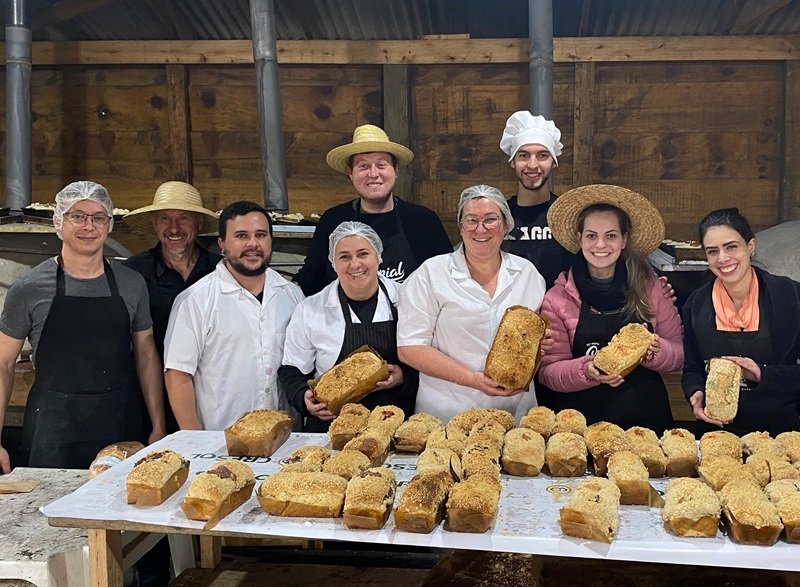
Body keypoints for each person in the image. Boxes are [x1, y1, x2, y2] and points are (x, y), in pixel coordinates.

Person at [0, 181, 165, 473]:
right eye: (78, 216)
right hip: (52, 431)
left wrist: (158, 425)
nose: (89, 225)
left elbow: (146, 354)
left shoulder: (131, 284)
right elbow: (3, 363)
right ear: (58, 222)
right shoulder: (29, 288)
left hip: (119, 426)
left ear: (109, 225)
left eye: (99, 217)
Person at [397, 185, 550, 424]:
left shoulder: (527, 274)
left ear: (505, 225)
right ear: (460, 226)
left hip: (515, 415)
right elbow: (410, 348)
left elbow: (535, 339)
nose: (480, 228)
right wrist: (471, 379)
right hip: (448, 415)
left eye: (491, 219)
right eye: (471, 220)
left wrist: (542, 344)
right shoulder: (431, 273)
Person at [537, 184, 683, 433]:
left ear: (624, 239)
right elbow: (548, 372)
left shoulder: (650, 287)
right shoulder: (557, 298)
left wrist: (657, 353)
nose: (600, 245)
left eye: (611, 235)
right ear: (579, 239)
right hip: (581, 427)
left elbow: (679, 353)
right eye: (591, 235)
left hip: (646, 421)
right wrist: (587, 371)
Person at [163, 200, 304, 431]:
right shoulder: (196, 300)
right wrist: (195, 441)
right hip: (220, 441)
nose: (253, 244)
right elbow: (178, 375)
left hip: (285, 442)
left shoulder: (293, 296)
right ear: (222, 244)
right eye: (241, 236)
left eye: (260, 235)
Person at [280, 221, 417, 430]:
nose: (355, 264)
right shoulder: (310, 309)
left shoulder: (408, 299)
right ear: (333, 264)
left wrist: (404, 377)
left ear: (378, 257)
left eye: (363, 254)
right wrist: (303, 397)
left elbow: (426, 359)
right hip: (331, 428)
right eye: (344, 257)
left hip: (394, 426)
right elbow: (292, 371)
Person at [294, 124, 452, 296]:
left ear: (396, 170)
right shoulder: (333, 220)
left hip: (409, 320)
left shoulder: (423, 221)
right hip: (346, 320)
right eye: (363, 166)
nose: (373, 173)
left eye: (381, 165)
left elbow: (447, 279)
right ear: (350, 173)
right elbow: (311, 279)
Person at [682, 208, 800, 436]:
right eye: (712, 251)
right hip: (716, 434)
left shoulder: (790, 297)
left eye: (731, 247)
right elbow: (692, 368)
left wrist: (762, 374)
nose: (723, 258)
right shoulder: (696, 305)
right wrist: (695, 392)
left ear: (751, 247)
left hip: (780, 434)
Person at [123, 181, 221, 434]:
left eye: (184, 218)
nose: (174, 228)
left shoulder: (222, 270)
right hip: (152, 398)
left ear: (199, 223)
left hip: (215, 396)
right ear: (155, 224)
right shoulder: (134, 273)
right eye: (165, 218)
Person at [499, 111, 572, 286]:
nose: (532, 165)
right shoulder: (499, 216)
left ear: (554, 162)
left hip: (558, 311)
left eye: (542, 155)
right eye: (523, 155)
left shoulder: (567, 216)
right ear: (513, 162)